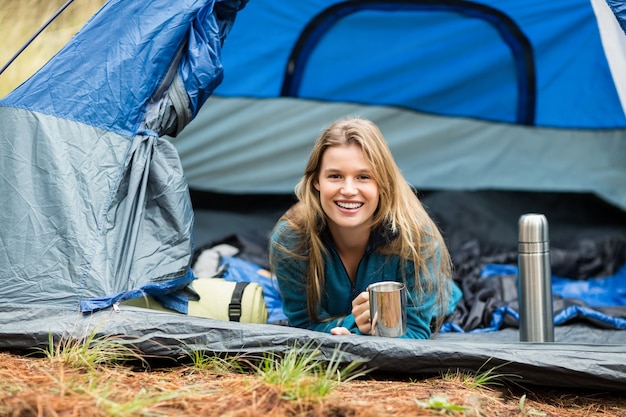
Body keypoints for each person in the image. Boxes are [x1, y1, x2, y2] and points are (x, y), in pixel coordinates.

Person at [269, 117, 462, 339]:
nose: (349, 190)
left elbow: (416, 331)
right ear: (316, 181)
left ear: (383, 182)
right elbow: (302, 323)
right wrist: (354, 325)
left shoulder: (418, 239)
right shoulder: (291, 240)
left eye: (363, 177)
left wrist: (357, 336)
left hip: (437, 303)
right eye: (335, 176)